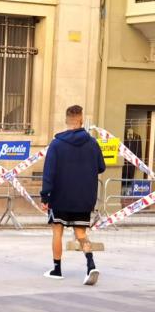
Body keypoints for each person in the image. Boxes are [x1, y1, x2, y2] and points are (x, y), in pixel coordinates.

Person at [40, 105, 105, 285]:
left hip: (60, 197)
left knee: (57, 231)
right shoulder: (93, 143)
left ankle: (57, 269)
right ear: (81, 120)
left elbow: (48, 173)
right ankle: (91, 264)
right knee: (81, 233)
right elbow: (101, 167)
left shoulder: (56, 144)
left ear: (66, 120)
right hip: (84, 197)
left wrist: (45, 197)